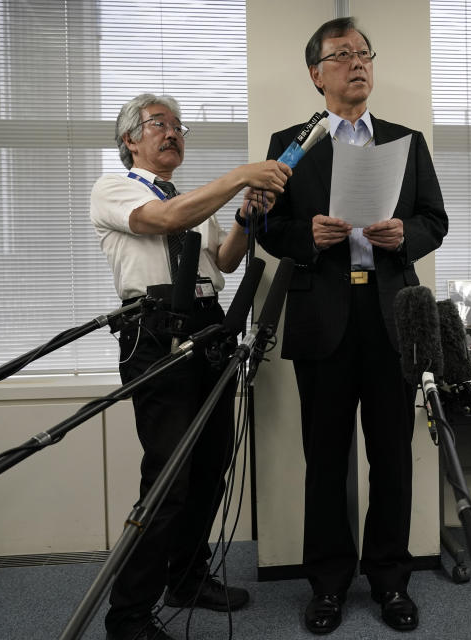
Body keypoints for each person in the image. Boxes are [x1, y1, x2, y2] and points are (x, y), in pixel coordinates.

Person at [256, 17, 448, 635]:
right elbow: (265, 227)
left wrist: (405, 237)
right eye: (341, 55)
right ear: (317, 74)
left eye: (363, 53)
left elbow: (435, 219)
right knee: (326, 459)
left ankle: (390, 580)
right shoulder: (291, 145)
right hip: (322, 316)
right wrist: (305, 238)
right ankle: (329, 584)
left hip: (391, 314)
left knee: (392, 456)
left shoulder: (406, 139)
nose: (357, 63)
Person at [90, 93, 291, 640]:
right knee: (168, 479)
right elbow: (162, 219)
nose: (173, 133)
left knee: (209, 468)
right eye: (159, 124)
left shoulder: (189, 198)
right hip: (155, 331)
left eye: (179, 126)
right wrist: (237, 177)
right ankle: (128, 615)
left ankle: (187, 577)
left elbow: (222, 262)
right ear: (131, 138)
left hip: (207, 329)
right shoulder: (115, 188)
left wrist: (248, 218)